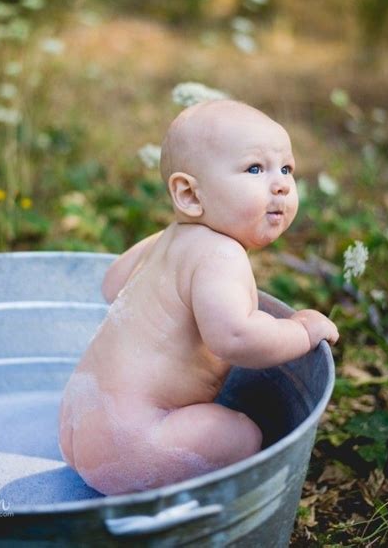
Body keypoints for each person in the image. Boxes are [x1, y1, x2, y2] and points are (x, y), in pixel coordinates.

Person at [58, 99, 339, 495]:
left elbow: (111, 285)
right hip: (134, 447)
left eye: (287, 169)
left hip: (77, 425)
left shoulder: (169, 237)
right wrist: (300, 331)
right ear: (189, 194)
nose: (280, 184)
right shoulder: (221, 254)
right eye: (255, 168)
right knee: (243, 434)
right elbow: (235, 338)